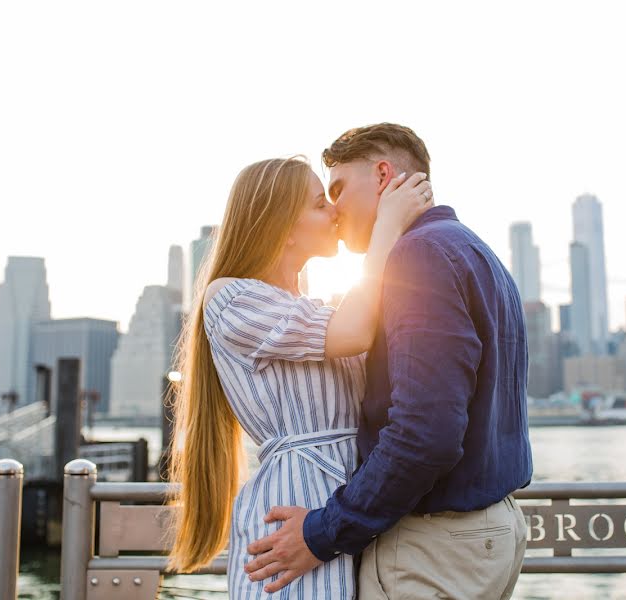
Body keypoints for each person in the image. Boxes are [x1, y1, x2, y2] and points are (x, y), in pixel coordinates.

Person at [244, 123, 533, 599]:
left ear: (382, 175)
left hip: (433, 549)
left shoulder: (418, 255)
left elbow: (425, 433)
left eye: (338, 188)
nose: (333, 209)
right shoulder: (475, 250)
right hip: (489, 535)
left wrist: (321, 534)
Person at [166, 154, 433, 599]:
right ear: (283, 226)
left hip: (341, 519)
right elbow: (354, 330)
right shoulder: (231, 298)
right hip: (293, 515)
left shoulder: (309, 306)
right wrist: (387, 224)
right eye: (318, 204)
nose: (334, 211)